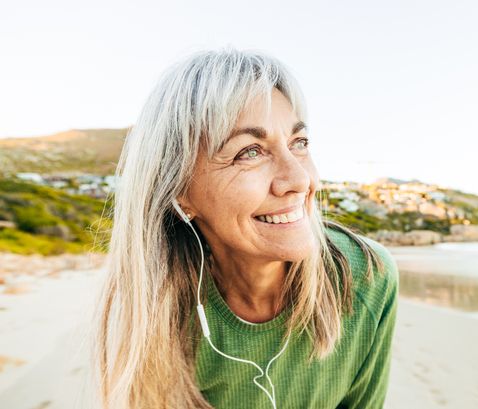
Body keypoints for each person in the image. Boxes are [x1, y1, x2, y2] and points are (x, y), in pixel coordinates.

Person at [93, 47, 399, 409]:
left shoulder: (366, 277)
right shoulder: (155, 309)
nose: (299, 179)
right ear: (179, 193)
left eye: (298, 143)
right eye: (250, 152)